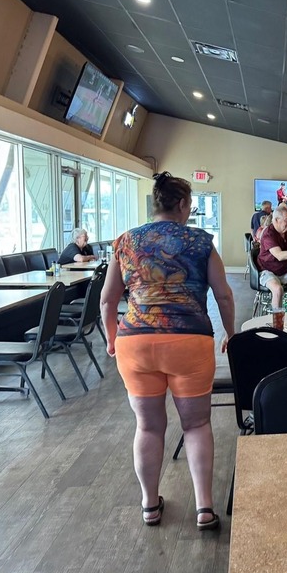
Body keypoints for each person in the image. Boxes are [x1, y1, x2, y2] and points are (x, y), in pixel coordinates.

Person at [100, 172, 236, 531]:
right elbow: (223, 295)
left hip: (136, 343)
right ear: (182, 205)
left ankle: (150, 505)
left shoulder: (126, 241)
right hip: (189, 340)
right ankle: (204, 508)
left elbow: (108, 300)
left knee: (147, 427)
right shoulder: (200, 241)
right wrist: (231, 332)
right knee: (197, 424)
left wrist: (112, 338)